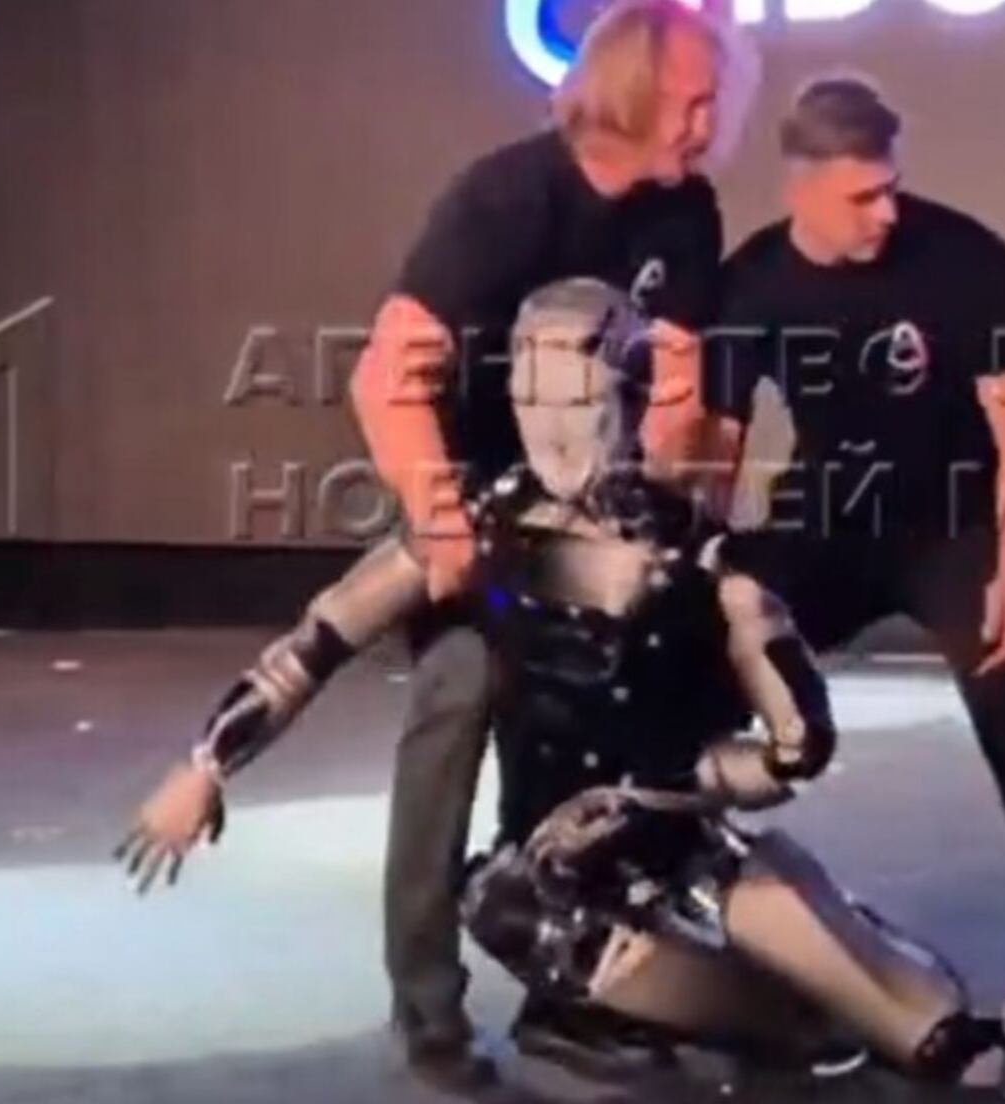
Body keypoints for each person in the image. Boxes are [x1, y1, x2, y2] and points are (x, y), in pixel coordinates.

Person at [116, 279, 1005, 1089]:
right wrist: (205, 764)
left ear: (628, 393)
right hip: (547, 873)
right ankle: (640, 1016)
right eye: (533, 394)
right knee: (714, 997)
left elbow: (798, 749)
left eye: (578, 396)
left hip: (679, 837)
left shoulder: (698, 557)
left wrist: (677, 786)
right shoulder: (481, 527)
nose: (554, 424)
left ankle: (871, 1017)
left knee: (916, 1025)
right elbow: (318, 640)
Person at [703, 76, 1005, 1080]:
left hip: (954, 525)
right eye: (861, 196)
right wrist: (708, 580)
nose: (885, 212)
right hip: (827, 524)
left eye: (890, 188)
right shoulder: (753, 283)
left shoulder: (964, 259)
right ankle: (720, 962)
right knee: (687, 681)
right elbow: (717, 448)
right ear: (800, 187)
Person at [342, 1, 739, 1085]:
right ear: (628, 95)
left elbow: (680, 388)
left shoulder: (686, 210)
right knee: (459, 701)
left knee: (590, 744)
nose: (708, 125)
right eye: (691, 102)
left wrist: (677, 514)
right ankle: (428, 1015)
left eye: (715, 102)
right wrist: (439, 523)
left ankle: (568, 995)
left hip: (596, 515)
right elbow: (384, 378)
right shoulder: (506, 200)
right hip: (475, 500)